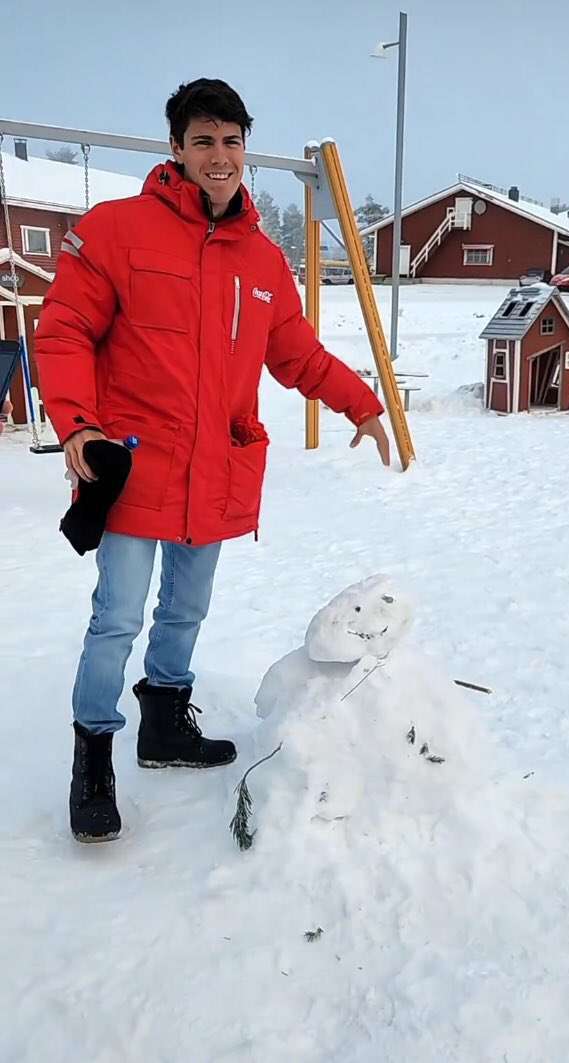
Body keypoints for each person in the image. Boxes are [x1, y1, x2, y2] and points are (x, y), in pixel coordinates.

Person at [34, 78, 389, 843]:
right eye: (203, 141)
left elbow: (294, 352)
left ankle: (164, 722)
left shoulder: (261, 258)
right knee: (116, 618)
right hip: (130, 464)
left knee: (185, 611)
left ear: (243, 149)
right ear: (176, 150)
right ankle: (92, 753)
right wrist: (75, 425)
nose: (219, 156)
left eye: (231, 141)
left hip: (214, 471)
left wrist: (360, 402)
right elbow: (63, 332)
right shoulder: (116, 231)